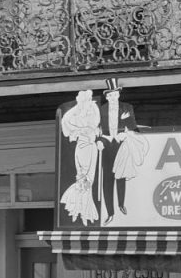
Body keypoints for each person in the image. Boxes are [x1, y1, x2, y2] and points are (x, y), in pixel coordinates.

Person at [96, 82, 146, 223]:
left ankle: (121, 204)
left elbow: (134, 127)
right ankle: (110, 212)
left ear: (119, 94)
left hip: (121, 144)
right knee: (107, 179)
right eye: (110, 95)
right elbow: (96, 129)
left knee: (121, 175)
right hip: (106, 145)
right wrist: (98, 140)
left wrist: (127, 129)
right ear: (107, 96)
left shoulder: (127, 107)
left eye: (115, 94)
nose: (113, 97)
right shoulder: (101, 109)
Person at [59, 90, 101, 225]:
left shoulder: (93, 109)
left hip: (90, 147)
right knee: (81, 179)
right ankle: (78, 210)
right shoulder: (76, 112)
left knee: (88, 180)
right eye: (82, 100)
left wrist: (85, 129)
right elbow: (65, 120)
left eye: (86, 100)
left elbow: (95, 123)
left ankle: (83, 211)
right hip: (81, 147)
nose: (85, 103)